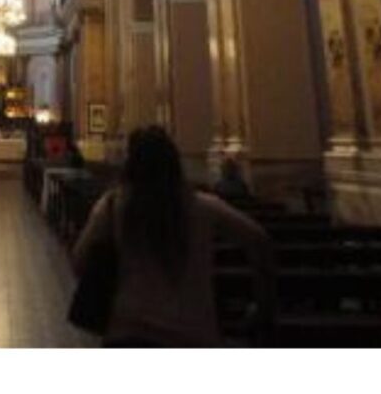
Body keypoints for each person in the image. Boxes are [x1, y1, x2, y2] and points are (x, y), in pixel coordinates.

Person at [71, 126, 275, 347]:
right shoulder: (204, 207)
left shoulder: (112, 206)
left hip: (129, 331)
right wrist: (263, 303)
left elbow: (79, 261)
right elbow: (259, 240)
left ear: (130, 164)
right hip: (193, 334)